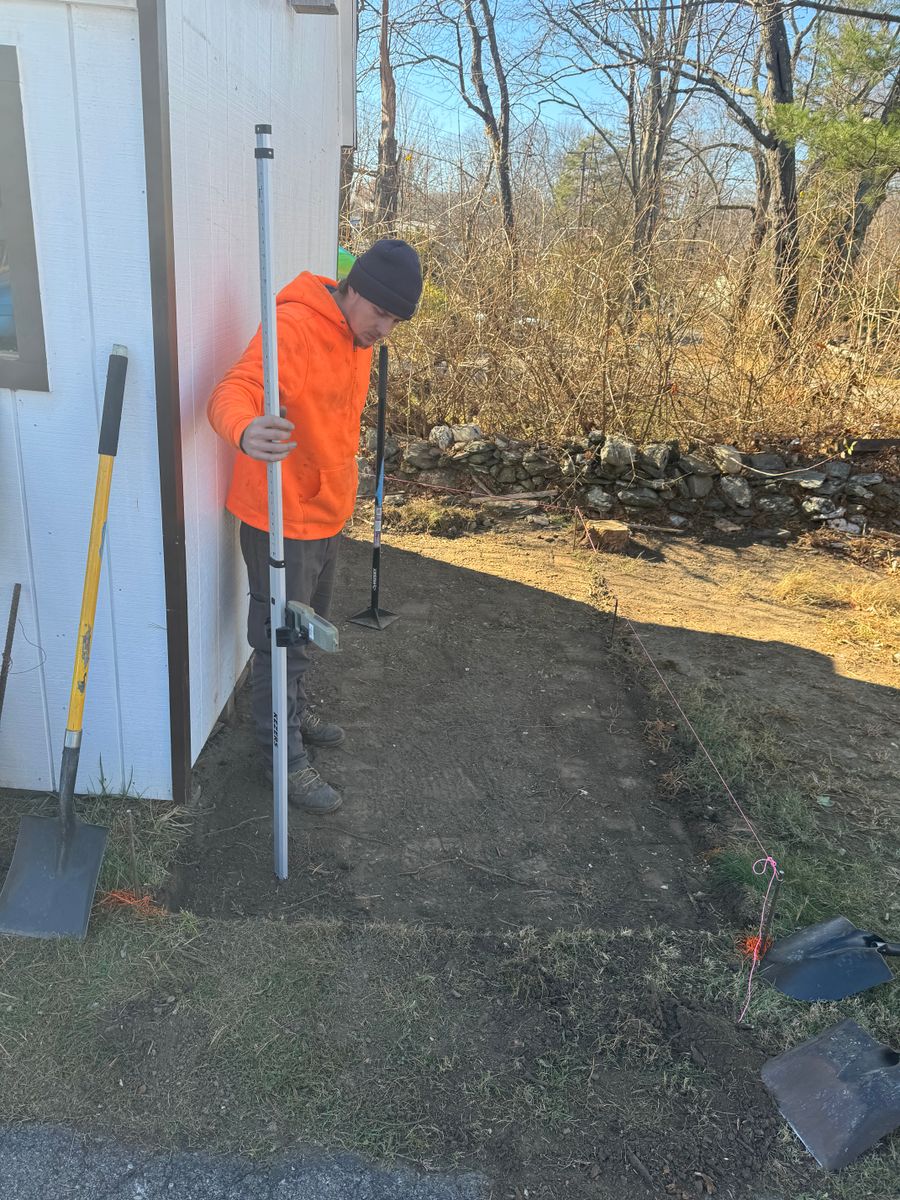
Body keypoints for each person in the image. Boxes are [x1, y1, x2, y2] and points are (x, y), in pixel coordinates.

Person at [208, 238, 423, 814]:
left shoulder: (357, 338)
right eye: (381, 312)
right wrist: (244, 428)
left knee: (305, 634)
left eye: (396, 320)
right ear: (353, 291)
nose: (386, 329)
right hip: (281, 516)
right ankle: (282, 756)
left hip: (325, 512)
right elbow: (235, 389)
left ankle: (293, 719)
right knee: (281, 641)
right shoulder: (295, 327)